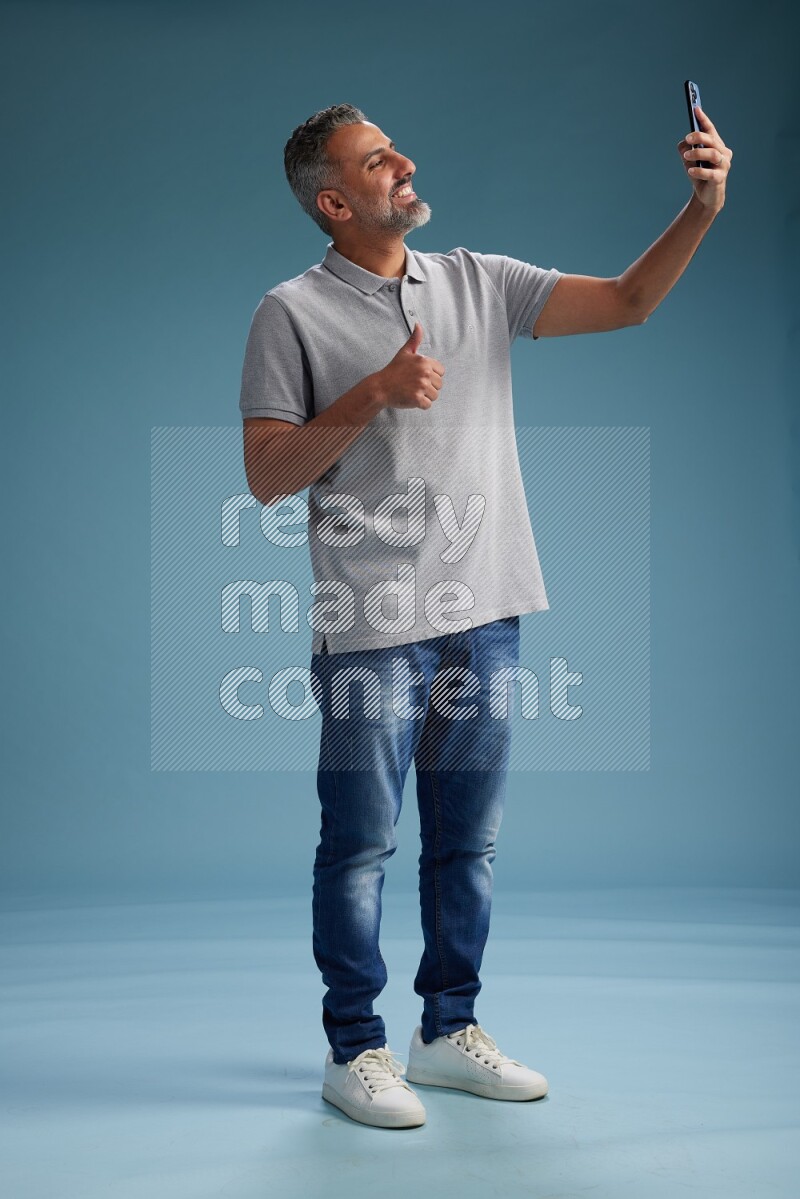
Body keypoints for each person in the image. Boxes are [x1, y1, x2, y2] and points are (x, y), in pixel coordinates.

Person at [239, 103, 732, 1129]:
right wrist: (372, 390)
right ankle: (355, 1048)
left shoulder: (475, 279)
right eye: (378, 160)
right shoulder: (287, 312)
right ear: (334, 201)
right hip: (371, 623)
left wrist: (701, 204)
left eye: (396, 147)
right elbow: (266, 475)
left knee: (467, 844)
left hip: (488, 610)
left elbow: (631, 301)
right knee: (361, 844)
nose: (405, 162)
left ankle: (444, 1029)